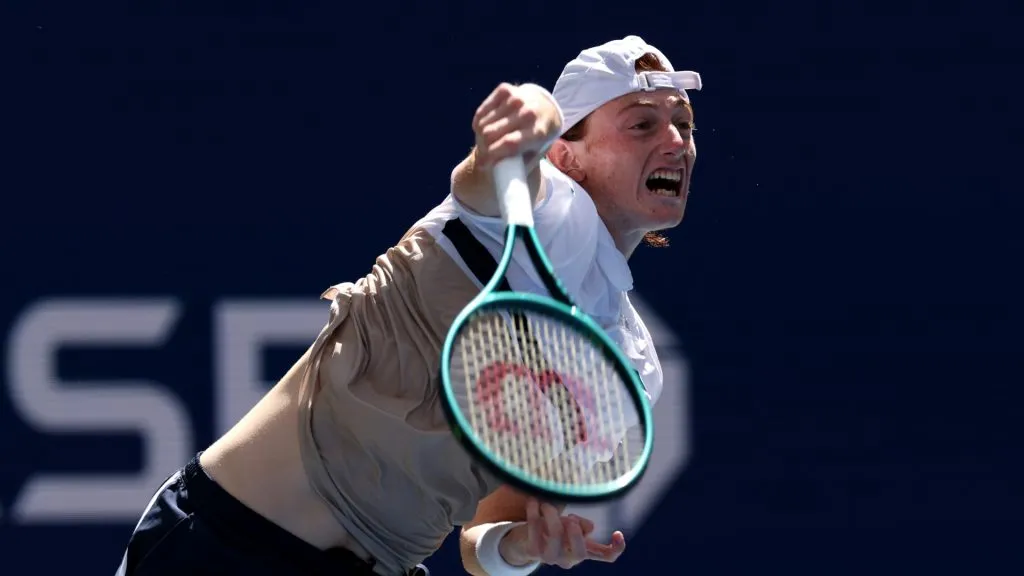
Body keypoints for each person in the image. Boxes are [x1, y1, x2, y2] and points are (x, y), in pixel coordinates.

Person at [115, 35, 701, 576]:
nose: (676, 141)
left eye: (684, 124)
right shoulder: (542, 210)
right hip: (229, 548)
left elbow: (481, 541)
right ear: (566, 155)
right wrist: (528, 118)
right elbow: (497, 165)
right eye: (642, 125)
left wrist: (522, 547)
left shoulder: (629, 365)